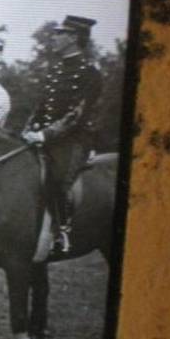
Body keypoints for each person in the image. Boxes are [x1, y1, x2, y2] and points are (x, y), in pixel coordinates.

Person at [22, 15, 103, 254]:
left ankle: (62, 231)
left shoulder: (90, 74)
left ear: (73, 38)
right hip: (45, 136)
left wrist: (45, 135)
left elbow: (75, 115)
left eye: (60, 34)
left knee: (56, 177)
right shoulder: (55, 70)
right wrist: (27, 130)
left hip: (73, 140)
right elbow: (41, 107)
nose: (54, 37)